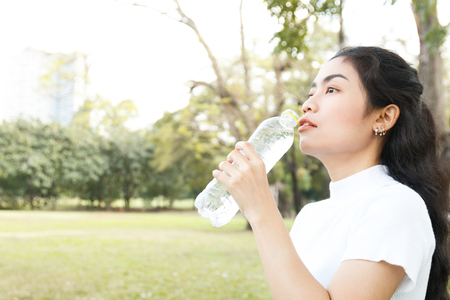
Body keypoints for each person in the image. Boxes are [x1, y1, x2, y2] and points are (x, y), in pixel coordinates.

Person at [212, 46, 450, 300]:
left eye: (332, 90)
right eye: (311, 92)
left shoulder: (396, 204)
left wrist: (260, 211)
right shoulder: (309, 216)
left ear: (383, 117)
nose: (307, 104)